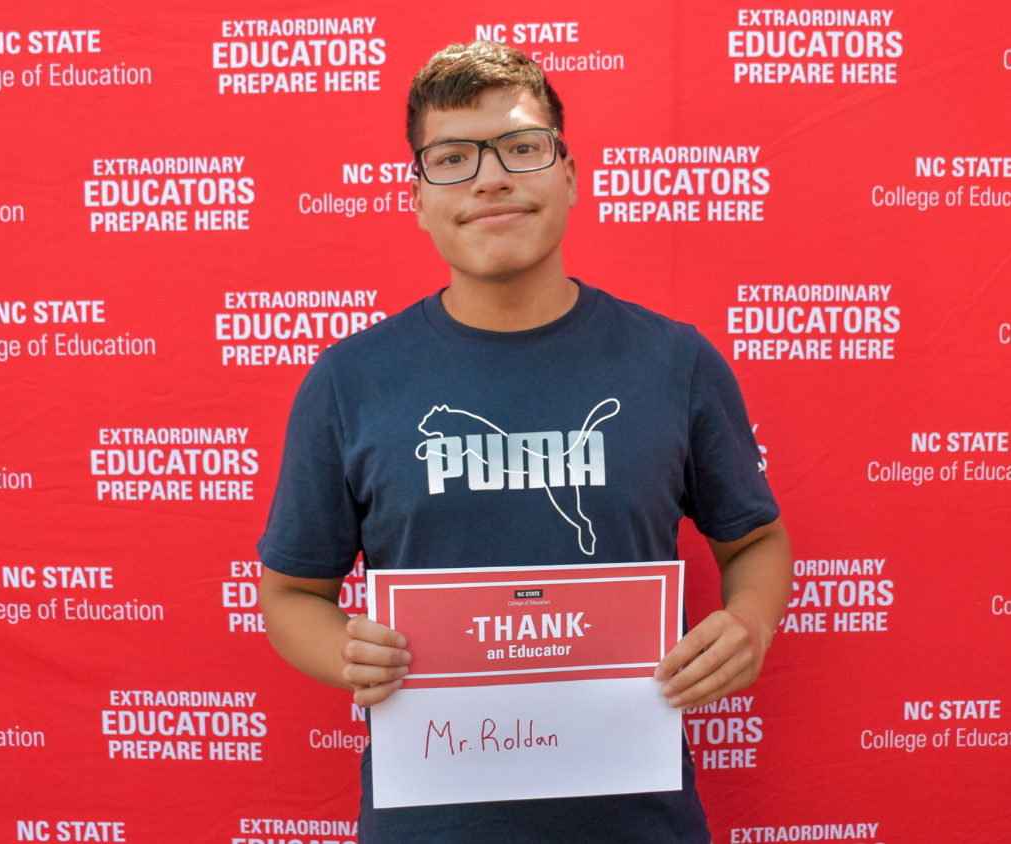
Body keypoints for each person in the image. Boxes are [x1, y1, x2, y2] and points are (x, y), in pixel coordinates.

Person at [257, 40, 792, 844]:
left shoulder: (675, 362)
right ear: (417, 195)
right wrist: (345, 654)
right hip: (428, 821)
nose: (489, 177)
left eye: (522, 147)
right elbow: (292, 595)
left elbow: (758, 539)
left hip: (639, 823)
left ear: (569, 176)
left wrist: (748, 622)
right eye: (452, 157)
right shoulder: (348, 382)